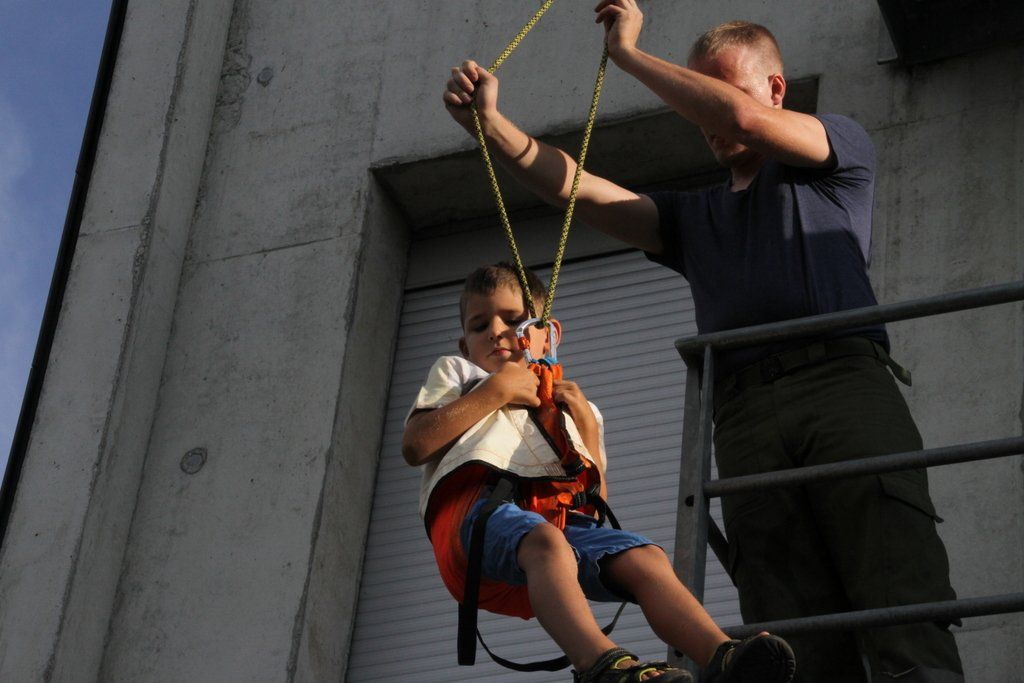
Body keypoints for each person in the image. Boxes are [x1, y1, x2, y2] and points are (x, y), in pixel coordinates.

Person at [441, 3, 964, 682]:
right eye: (700, 98)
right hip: (743, 414)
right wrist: (491, 127)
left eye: (718, 89)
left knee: (899, 589)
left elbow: (742, 119)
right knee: (790, 619)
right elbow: (577, 188)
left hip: (842, 384)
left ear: (776, 89)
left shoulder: (835, 151)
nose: (706, 115)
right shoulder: (695, 218)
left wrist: (629, 56)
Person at [402, 262, 796, 682]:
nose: (496, 332)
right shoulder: (461, 374)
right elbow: (416, 444)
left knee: (644, 557)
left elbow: (593, 506)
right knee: (546, 541)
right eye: (480, 326)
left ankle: (723, 656)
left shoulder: (574, 408)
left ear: (547, 334)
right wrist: (496, 390)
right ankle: (602, 665)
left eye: (513, 320)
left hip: (553, 532)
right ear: (465, 346)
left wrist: (586, 427)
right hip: (475, 522)